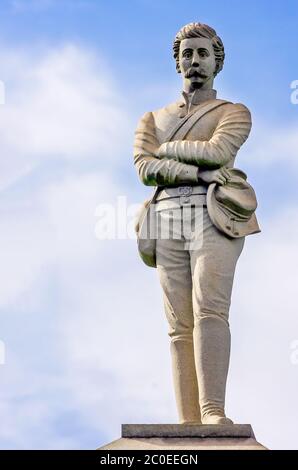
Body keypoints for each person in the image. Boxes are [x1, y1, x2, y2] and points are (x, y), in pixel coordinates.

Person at [133, 22, 254, 425]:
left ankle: (212, 412)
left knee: (210, 311)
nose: (195, 61)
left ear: (216, 61)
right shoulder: (152, 117)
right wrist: (194, 173)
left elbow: (218, 152)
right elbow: (144, 168)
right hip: (166, 215)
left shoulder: (234, 113)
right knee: (178, 324)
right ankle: (188, 422)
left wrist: (167, 150)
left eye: (203, 54)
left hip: (214, 214)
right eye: (188, 54)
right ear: (177, 61)